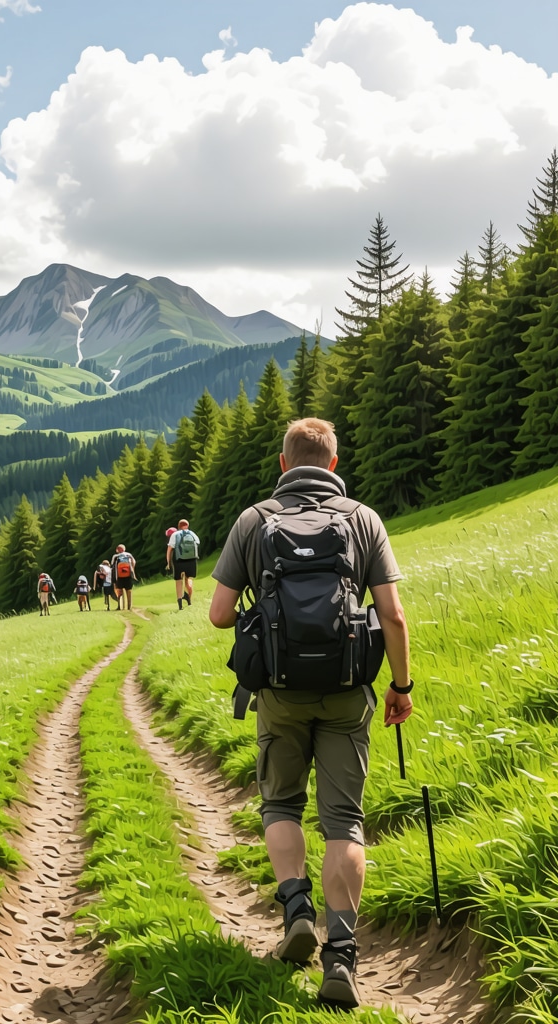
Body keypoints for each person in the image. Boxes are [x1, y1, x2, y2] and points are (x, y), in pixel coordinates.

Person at [207, 418, 412, 1009]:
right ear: (333, 464)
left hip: (279, 693)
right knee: (343, 821)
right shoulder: (363, 520)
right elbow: (393, 615)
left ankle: (296, 908)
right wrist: (401, 686)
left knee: (280, 804)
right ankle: (341, 956)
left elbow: (219, 614)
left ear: (283, 464)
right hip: (348, 692)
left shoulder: (254, 520)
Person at [166, 518, 200, 609]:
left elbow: (169, 549)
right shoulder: (192, 533)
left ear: (178, 526)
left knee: (179, 580)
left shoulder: (175, 534)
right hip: (191, 560)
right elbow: (197, 543)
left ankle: (180, 603)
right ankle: (189, 597)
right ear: (187, 526)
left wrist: (168, 562)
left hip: (179, 560)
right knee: (188, 579)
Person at [110, 543, 137, 610]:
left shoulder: (115, 556)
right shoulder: (129, 555)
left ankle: (120, 606)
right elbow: (134, 562)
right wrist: (132, 570)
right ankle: (129, 607)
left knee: (119, 591)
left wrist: (113, 578)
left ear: (118, 549)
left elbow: (112, 566)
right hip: (128, 575)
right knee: (129, 590)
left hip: (119, 576)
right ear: (124, 549)